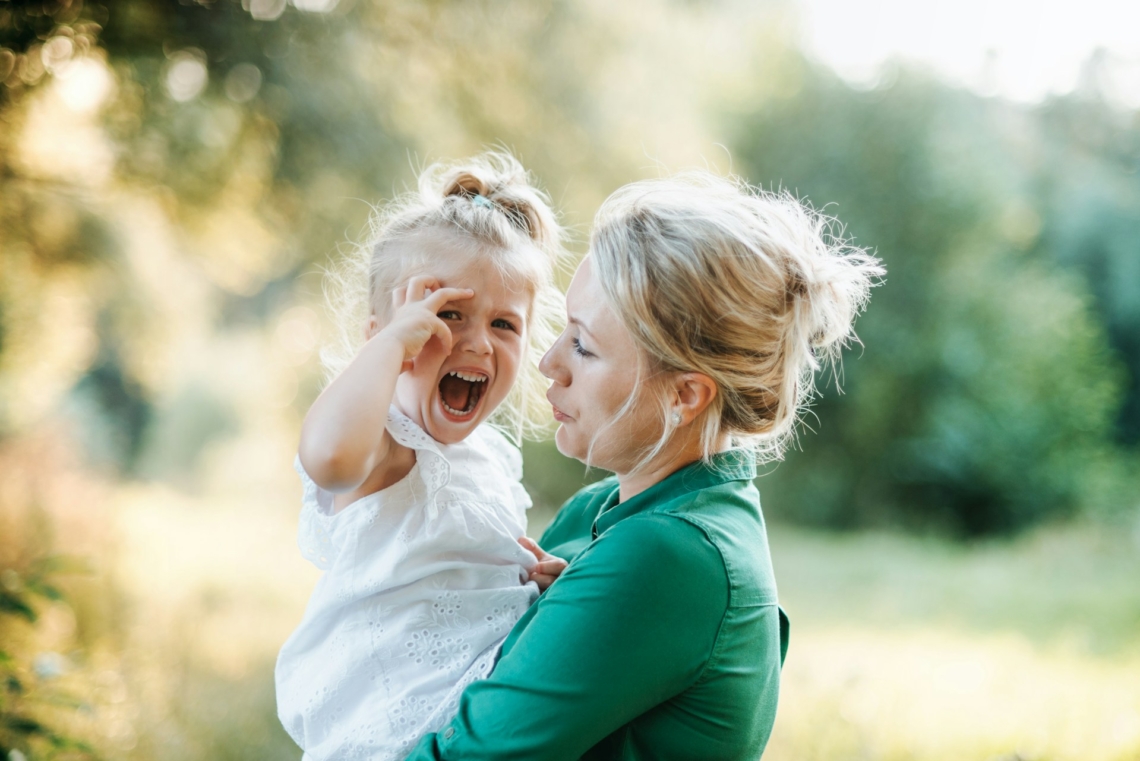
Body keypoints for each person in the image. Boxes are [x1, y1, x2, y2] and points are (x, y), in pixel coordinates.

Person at [408, 171, 884, 760]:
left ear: (686, 395)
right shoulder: (601, 514)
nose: (549, 365)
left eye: (583, 345)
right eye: (562, 332)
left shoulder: (670, 557)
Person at [275, 152, 570, 761]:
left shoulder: (491, 457)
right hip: (376, 737)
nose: (478, 342)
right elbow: (327, 460)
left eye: (505, 325)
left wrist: (535, 587)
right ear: (382, 332)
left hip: (463, 730)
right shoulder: (381, 443)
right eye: (448, 316)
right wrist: (390, 349)